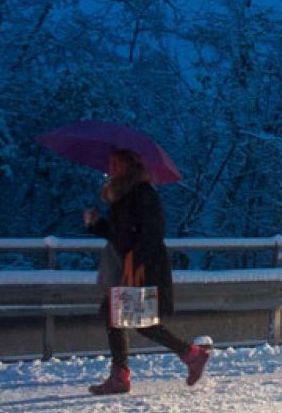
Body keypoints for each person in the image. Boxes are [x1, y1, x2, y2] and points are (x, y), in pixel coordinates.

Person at [84, 147, 210, 395]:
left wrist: (137, 261)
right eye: (111, 162)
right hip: (130, 264)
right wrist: (97, 224)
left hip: (142, 265)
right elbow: (120, 234)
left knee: (126, 317)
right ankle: (189, 355)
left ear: (131, 165)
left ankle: (124, 374)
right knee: (128, 318)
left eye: (117, 162)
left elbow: (152, 232)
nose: (112, 167)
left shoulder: (142, 193)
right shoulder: (123, 194)